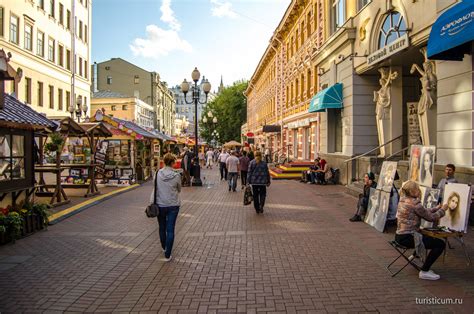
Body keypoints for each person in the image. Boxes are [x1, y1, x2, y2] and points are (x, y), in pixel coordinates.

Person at [395, 180, 448, 280]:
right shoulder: (415, 204)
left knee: (424, 236)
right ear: (413, 191)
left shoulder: (403, 200)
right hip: (409, 238)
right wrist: (443, 210)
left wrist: (435, 208)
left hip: (399, 236)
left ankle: (414, 257)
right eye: (417, 189)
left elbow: (422, 212)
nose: (419, 191)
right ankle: (424, 271)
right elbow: (431, 218)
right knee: (440, 244)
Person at [150, 153, 181, 262]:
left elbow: (155, 186)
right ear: (173, 163)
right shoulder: (176, 175)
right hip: (173, 204)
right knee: (170, 229)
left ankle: (164, 247)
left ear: (164, 162)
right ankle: (168, 254)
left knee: (162, 227)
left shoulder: (157, 173)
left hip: (160, 204)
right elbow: (179, 189)